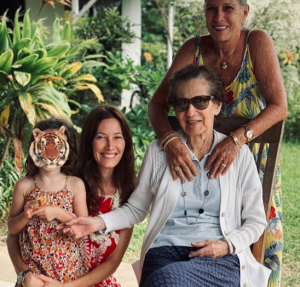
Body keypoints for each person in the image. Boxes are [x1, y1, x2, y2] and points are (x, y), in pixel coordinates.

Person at [57, 65, 271, 287]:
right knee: (164, 278)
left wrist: (227, 245)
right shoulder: (158, 152)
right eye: (182, 103)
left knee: (162, 281)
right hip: (163, 253)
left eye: (200, 102)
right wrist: (96, 223)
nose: (190, 112)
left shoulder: (238, 155)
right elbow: (136, 209)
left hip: (218, 258)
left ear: (217, 105)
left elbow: (256, 222)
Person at [147, 0, 287, 285]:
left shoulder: (256, 42)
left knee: (256, 245)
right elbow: (157, 105)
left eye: (228, 8)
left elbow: (280, 106)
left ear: (245, 12)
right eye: (211, 8)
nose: (219, 16)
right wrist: (170, 141)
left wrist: (236, 140)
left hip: (247, 162)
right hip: (198, 162)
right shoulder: (192, 49)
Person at [8, 105, 137, 287]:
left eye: (117, 137)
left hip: (77, 281)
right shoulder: (64, 177)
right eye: (100, 137)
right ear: (89, 141)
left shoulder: (129, 197)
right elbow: (13, 233)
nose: (110, 146)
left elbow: (112, 262)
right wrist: (24, 275)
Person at [7, 118, 89, 286]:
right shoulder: (24, 185)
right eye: (44, 146)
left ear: (68, 150)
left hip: (68, 275)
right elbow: (12, 229)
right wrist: (25, 215)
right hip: (33, 278)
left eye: (58, 146)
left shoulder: (75, 185)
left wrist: (58, 213)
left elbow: (85, 226)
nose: (51, 154)